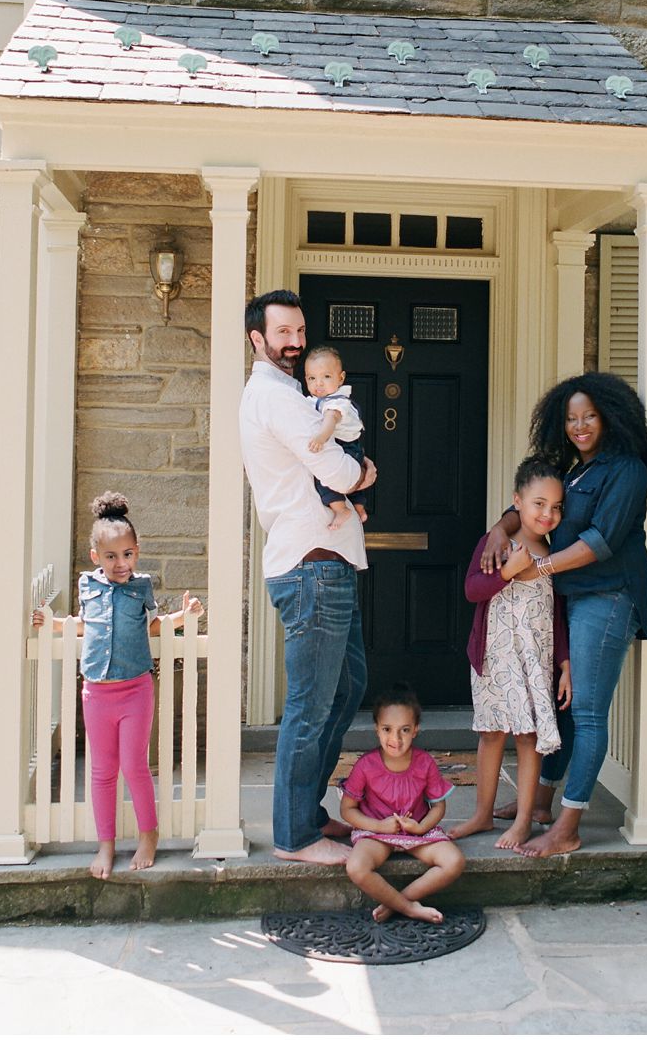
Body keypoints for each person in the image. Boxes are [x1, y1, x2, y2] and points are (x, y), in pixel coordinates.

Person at [477, 372, 647, 859]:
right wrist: (502, 526)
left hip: (606, 598)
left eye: (589, 416)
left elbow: (601, 542)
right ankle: (539, 802)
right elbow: (533, 502)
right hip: (566, 599)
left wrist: (537, 566)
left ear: (610, 418)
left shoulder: (627, 470)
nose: (579, 426)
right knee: (558, 703)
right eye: (570, 418)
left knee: (584, 711)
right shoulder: (569, 466)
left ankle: (568, 825)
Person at [239, 289, 379, 866]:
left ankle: (308, 809)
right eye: (283, 333)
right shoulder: (277, 398)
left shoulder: (294, 394)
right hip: (312, 567)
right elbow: (340, 469)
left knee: (346, 689)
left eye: (299, 331)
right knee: (311, 705)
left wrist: (355, 475)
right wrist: (365, 471)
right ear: (258, 339)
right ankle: (295, 834)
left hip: (329, 561)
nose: (295, 342)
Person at [31, 492, 203, 879]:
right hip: (96, 691)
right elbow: (82, 623)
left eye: (127, 554)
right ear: (96, 557)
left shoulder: (141, 587)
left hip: (135, 689)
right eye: (111, 556)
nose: (120, 563)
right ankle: (105, 844)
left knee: (135, 766)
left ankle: (149, 835)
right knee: (103, 770)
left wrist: (184, 615)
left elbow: (153, 626)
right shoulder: (87, 586)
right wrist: (52, 622)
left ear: (136, 553)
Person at [451, 456, 573, 850]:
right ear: (516, 501)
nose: (548, 514)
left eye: (556, 507)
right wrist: (506, 571)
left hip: (534, 663)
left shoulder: (554, 554)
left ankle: (523, 820)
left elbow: (558, 614)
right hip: (494, 658)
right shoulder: (498, 544)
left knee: (528, 737)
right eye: (539, 503)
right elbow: (472, 590)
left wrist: (564, 664)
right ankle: (482, 814)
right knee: (490, 735)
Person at [340, 683, 466, 924]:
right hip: (376, 833)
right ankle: (410, 909)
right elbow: (347, 810)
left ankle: (398, 903)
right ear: (377, 729)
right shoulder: (366, 766)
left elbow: (438, 807)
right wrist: (379, 827)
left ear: (416, 730)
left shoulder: (425, 763)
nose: (395, 739)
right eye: (387, 729)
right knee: (356, 867)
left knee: (454, 861)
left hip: (417, 832)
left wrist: (420, 827)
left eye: (404, 730)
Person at [303, 345, 368, 526]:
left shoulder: (337, 402)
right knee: (355, 487)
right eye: (312, 378)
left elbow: (331, 419)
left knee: (324, 477)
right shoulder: (318, 400)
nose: (319, 383)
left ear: (341, 378)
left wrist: (320, 438)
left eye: (326, 376)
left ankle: (341, 509)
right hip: (350, 447)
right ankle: (359, 508)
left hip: (347, 447)